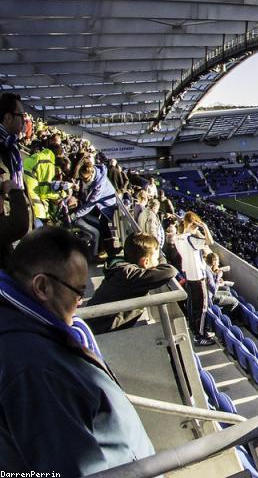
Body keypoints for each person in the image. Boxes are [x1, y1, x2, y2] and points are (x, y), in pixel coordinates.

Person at [0, 226, 155, 473]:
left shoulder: (29, 333)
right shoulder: (36, 370)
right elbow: (74, 467)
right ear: (42, 287)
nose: (81, 302)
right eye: (78, 291)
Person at [84, 232, 178, 334]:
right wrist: (160, 261)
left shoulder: (123, 268)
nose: (158, 260)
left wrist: (156, 259)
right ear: (145, 262)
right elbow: (170, 271)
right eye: (156, 258)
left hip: (96, 325)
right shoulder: (130, 276)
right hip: (100, 333)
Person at [0, 93, 34, 266]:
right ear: (7, 118)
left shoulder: (11, 147)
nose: (25, 119)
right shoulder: (4, 149)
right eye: (21, 114)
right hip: (9, 228)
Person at [175, 214, 215, 346]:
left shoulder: (178, 237)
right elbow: (210, 242)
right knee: (202, 307)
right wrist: (205, 227)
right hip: (197, 276)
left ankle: (196, 330)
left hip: (189, 274)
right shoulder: (190, 239)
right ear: (194, 224)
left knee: (193, 304)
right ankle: (200, 335)